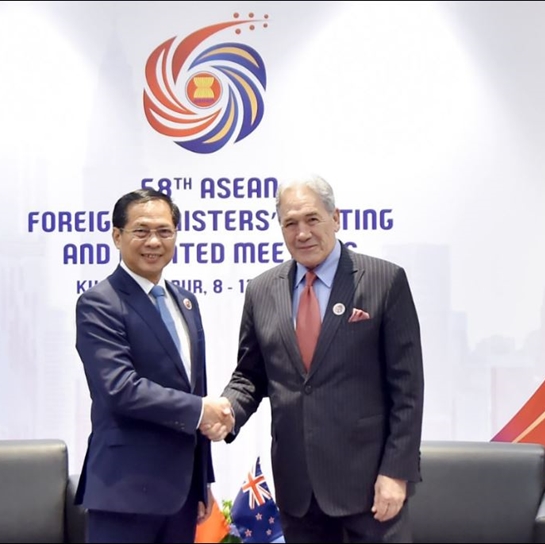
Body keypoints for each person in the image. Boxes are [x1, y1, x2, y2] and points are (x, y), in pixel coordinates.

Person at [220, 174, 425, 543]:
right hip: (298, 493)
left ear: (336, 218)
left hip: (370, 489)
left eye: (312, 219)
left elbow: (407, 390)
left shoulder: (384, 280)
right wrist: (226, 412)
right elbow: (250, 376)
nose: (302, 233)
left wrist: (397, 472)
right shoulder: (261, 290)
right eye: (290, 223)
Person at [74, 188, 233, 543]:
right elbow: (119, 389)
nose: (154, 242)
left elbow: (195, 386)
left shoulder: (186, 302)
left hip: (181, 495)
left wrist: (202, 480)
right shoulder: (99, 303)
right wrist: (201, 409)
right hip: (124, 492)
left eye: (164, 231)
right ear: (117, 236)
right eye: (141, 231)